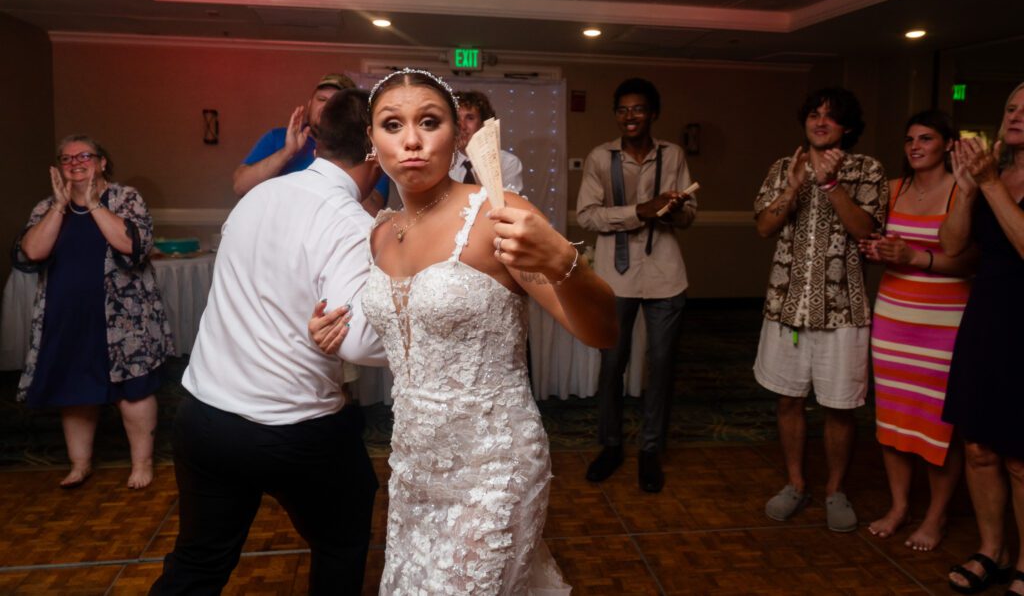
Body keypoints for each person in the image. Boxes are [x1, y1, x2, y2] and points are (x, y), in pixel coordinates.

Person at [311, 68, 616, 594]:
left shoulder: (496, 215)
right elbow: (415, 339)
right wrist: (338, 334)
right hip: (413, 467)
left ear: (456, 136)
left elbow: (604, 333)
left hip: (493, 465)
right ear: (371, 142)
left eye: (428, 122)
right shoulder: (382, 231)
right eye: (392, 124)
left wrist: (564, 261)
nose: (411, 140)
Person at [149, 89, 386, 596]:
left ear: (319, 141)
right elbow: (361, 345)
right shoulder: (348, 222)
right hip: (292, 426)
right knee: (342, 542)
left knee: (197, 563)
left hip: (205, 414)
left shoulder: (260, 194)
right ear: (373, 151)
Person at [752, 87, 887, 532]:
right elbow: (765, 227)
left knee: (839, 406)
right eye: (814, 114)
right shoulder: (782, 167)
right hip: (785, 307)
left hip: (842, 310)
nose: (820, 122)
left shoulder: (867, 169)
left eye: (831, 116)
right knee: (788, 400)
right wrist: (793, 187)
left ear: (847, 126)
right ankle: (795, 482)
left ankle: (835, 489)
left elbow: (866, 231)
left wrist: (830, 185)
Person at [13, 135, 172, 490]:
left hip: (124, 318)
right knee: (75, 391)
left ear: (102, 162)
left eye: (84, 155)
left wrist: (93, 203)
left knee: (134, 390)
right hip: (66, 315)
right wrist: (59, 205)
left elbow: (132, 245)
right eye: (66, 158)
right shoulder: (46, 206)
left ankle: (141, 464)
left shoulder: (126, 198)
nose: (75, 162)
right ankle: (80, 464)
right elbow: (33, 252)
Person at [858, 110, 973, 551]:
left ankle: (936, 516)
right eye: (909, 139)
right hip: (893, 319)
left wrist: (912, 256)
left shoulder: (963, 190)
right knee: (893, 420)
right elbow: (878, 240)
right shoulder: (893, 189)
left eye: (926, 138)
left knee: (935, 425)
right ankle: (900, 505)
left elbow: (967, 258)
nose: (915, 147)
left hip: (945, 323)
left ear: (947, 144)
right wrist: (878, 249)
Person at [576, 77, 696, 493]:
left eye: (639, 109)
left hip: (665, 274)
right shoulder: (599, 158)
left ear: (653, 114)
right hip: (614, 276)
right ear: (616, 115)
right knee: (612, 366)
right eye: (623, 110)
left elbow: (689, 216)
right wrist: (637, 212)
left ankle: (650, 450)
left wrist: (671, 212)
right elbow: (586, 216)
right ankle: (610, 446)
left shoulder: (673, 154)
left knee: (661, 368)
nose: (631, 116)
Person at [939, 82, 1024, 596]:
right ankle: (992, 549)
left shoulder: (1001, 178)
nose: (1015, 115)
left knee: (1020, 454)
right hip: (986, 317)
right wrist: (969, 187)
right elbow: (952, 245)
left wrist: (990, 184)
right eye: (1011, 106)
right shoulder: (996, 172)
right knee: (978, 447)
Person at [232, 73, 389, 213]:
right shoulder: (277, 137)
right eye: (321, 99)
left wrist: (333, 161)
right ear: (309, 104)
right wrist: (287, 152)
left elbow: (373, 212)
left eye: (335, 101)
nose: (327, 106)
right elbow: (240, 186)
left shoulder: (370, 149)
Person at [451, 89, 524, 193]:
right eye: (457, 119)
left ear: (482, 124)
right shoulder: (441, 163)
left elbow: (510, 205)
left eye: (470, 118)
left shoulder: (507, 163)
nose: (462, 126)